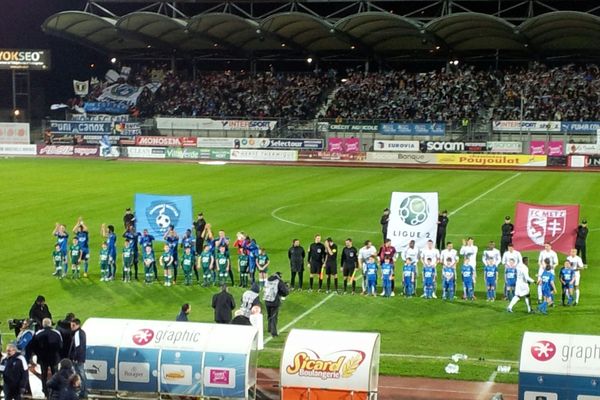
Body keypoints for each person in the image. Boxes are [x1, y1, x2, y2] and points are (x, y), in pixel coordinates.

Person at [31, 318, 63, 397]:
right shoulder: (56, 333)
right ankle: (55, 391)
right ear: (50, 323)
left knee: (44, 375)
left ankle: (45, 391)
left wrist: (39, 354)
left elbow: (34, 346)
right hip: (54, 357)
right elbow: (61, 345)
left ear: (43, 324)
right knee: (55, 374)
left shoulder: (38, 333)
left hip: (43, 358)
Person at [264, 272, 289, 337]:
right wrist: (286, 287)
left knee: (269, 315)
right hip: (274, 301)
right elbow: (285, 292)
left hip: (266, 300)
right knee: (274, 317)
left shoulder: (267, 280)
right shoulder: (278, 281)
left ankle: (269, 329)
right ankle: (274, 333)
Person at [68, 318, 86, 399]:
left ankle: (82, 392)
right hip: (80, 358)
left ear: (78, 325)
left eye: (73, 325)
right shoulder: (81, 332)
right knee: (81, 375)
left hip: (78, 359)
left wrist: (75, 358)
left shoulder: (78, 333)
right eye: (71, 325)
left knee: (80, 376)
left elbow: (78, 348)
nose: (71, 327)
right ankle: (83, 392)